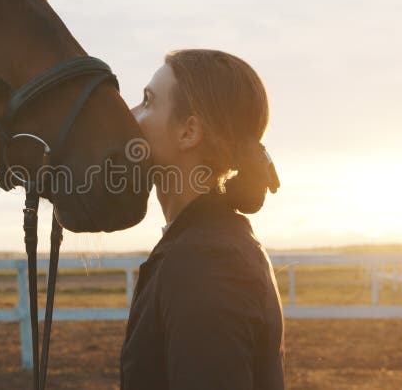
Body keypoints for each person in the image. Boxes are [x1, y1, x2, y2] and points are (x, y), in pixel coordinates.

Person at [120, 49, 285, 389]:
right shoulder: (208, 244)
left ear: (189, 131)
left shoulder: (206, 261)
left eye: (148, 101)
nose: (130, 114)